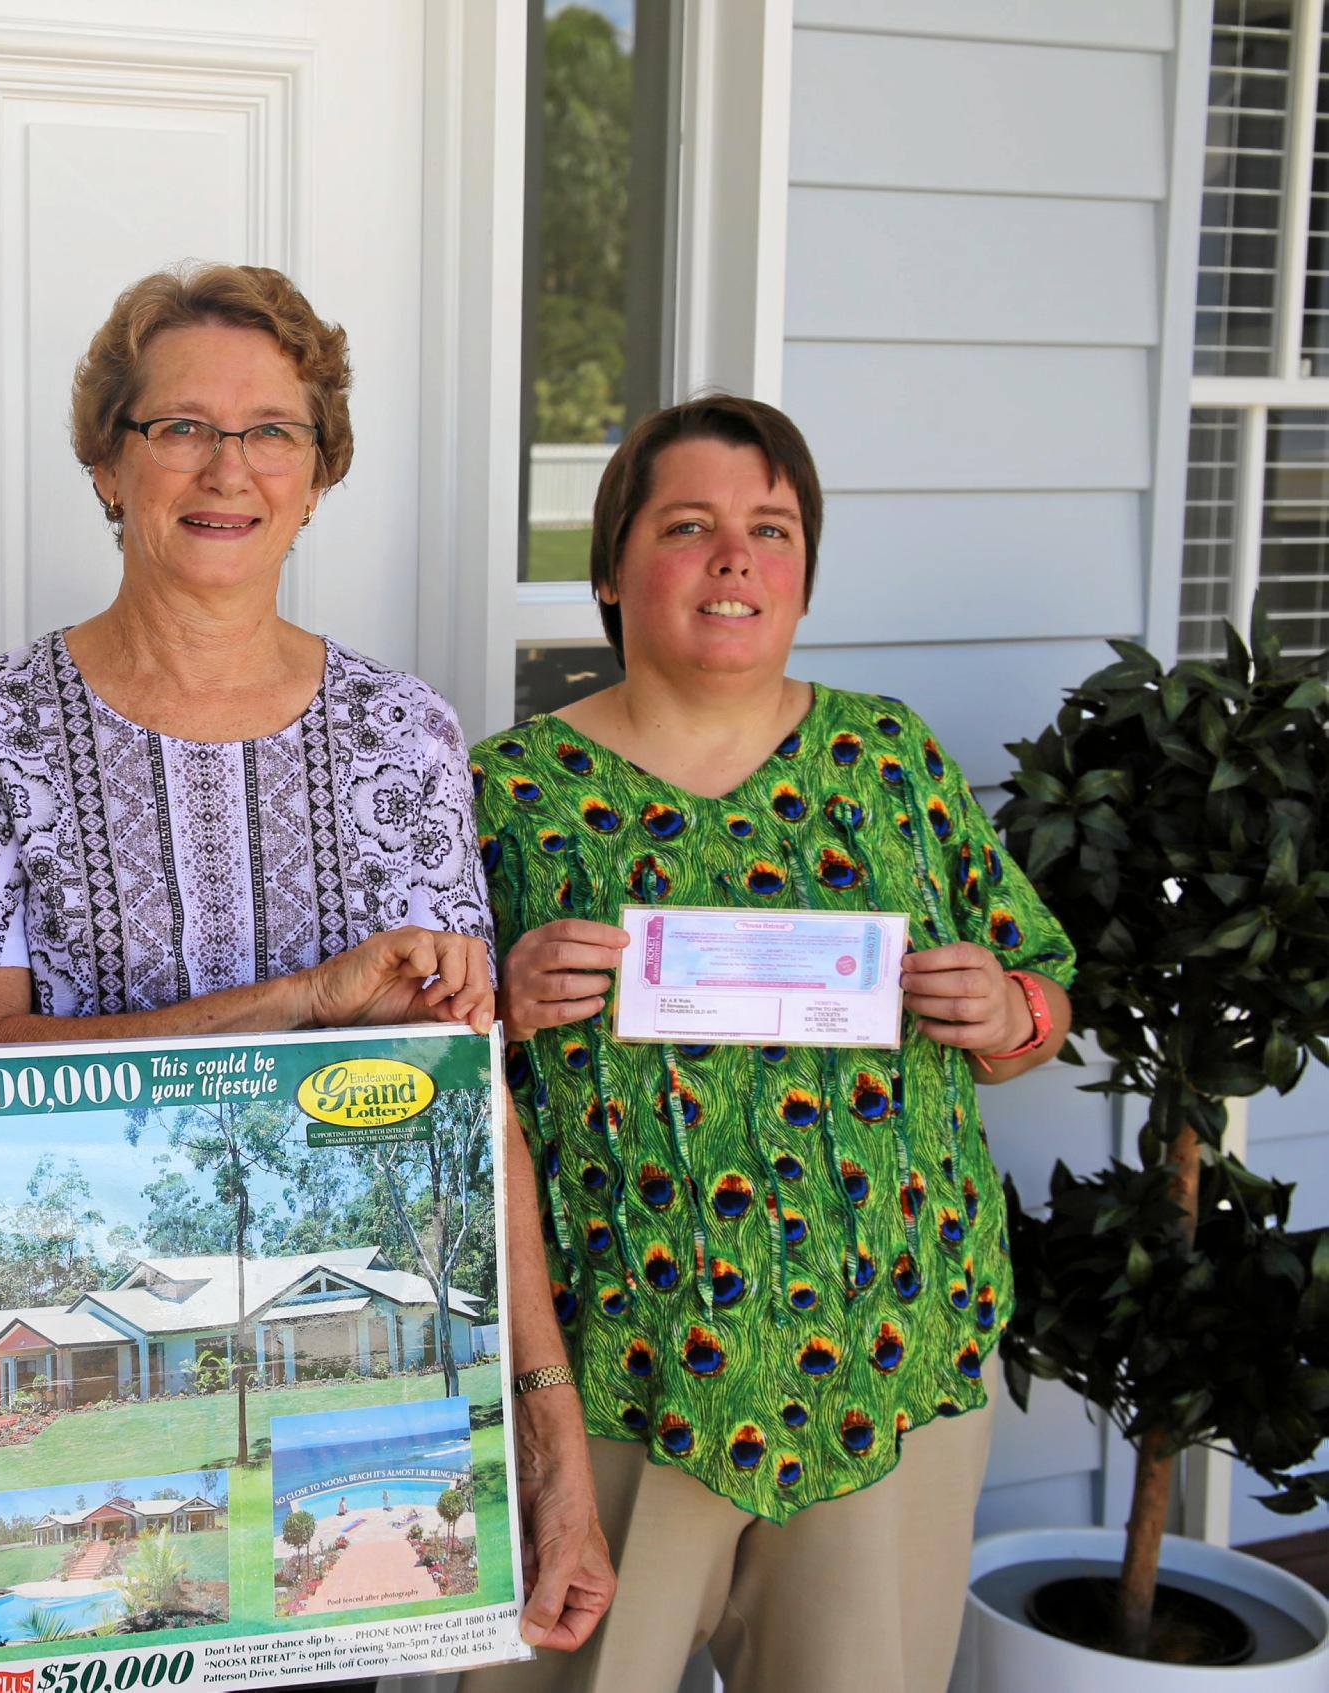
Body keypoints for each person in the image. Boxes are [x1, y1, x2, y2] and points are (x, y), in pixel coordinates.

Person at [0, 262, 615, 1662]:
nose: (226, 468)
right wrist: (299, 999)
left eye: (271, 430)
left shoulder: (402, 732)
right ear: (109, 462)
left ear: (318, 471)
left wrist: (553, 1445)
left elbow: (469, 1107)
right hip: (99, 1425)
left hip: (363, 1418)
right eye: (178, 428)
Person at [468, 395, 1074, 1693]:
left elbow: (1041, 988)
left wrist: (1008, 1010)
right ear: (609, 571)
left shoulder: (888, 758)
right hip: (607, 1386)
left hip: (885, 1361)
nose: (734, 557)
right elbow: (424, 1072)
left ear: (802, 571)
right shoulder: (504, 793)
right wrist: (499, 996)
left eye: (771, 528)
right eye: (687, 525)